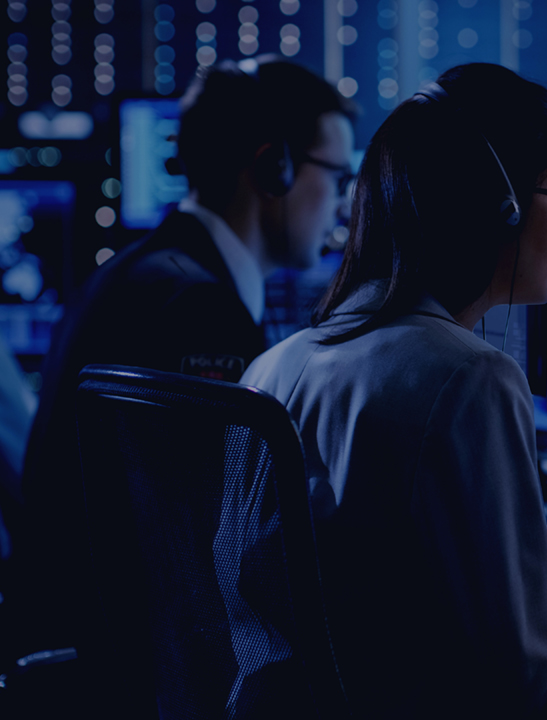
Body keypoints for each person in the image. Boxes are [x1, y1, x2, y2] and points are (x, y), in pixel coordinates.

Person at [241, 63, 547, 716]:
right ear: (501, 207)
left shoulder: (273, 367)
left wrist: (501, 554)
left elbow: (337, 574)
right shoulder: (468, 379)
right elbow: (531, 685)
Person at [17, 56, 357, 653]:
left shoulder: (139, 273)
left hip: (82, 651)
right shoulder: (200, 312)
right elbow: (232, 550)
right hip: (136, 672)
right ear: (273, 168)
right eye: (336, 176)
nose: (342, 205)